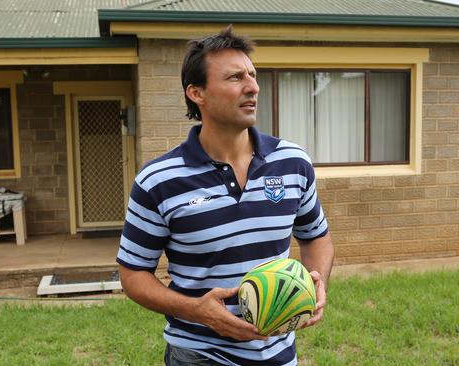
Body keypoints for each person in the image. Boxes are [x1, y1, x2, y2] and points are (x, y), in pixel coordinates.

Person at [117, 26, 334, 365]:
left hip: (280, 354)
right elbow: (132, 274)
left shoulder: (292, 162)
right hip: (199, 355)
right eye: (235, 78)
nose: (252, 87)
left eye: (252, 75)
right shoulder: (158, 180)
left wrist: (315, 282)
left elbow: (316, 236)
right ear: (196, 93)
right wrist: (197, 310)